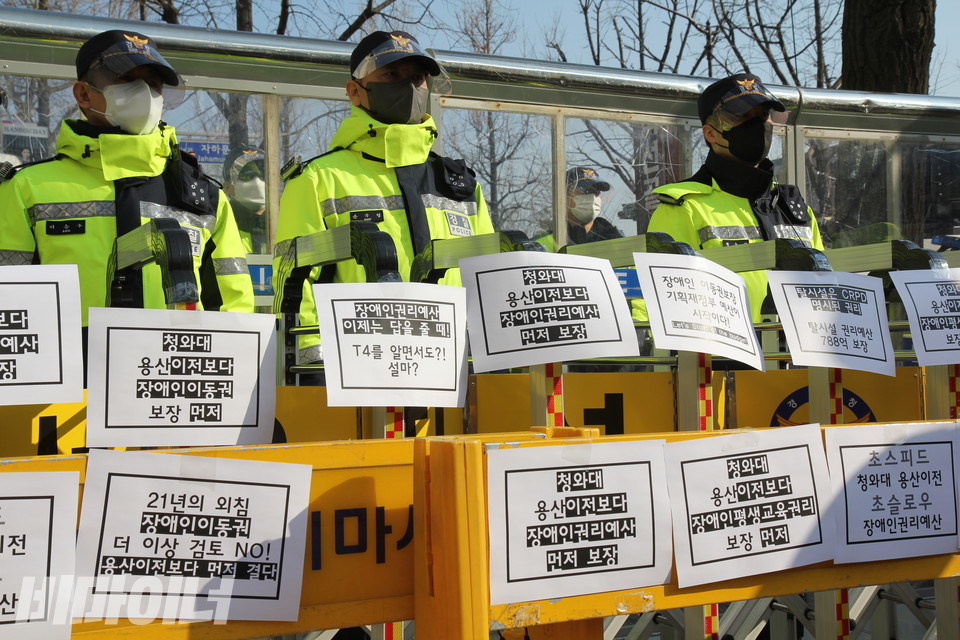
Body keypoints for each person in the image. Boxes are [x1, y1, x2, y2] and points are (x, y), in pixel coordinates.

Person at [0, 30, 254, 331]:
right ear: (83, 94)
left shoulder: (203, 195)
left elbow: (234, 305)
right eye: (128, 79)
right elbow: (9, 302)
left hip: (174, 369)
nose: (146, 93)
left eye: (154, 84)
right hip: (70, 372)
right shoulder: (27, 188)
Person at [274, 31, 494, 364]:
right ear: (355, 92)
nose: (409, 87)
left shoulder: (460, 185)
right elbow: (295, 287)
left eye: (418, 78)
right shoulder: (318, 179)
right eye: (391, 75)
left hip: (455, 374)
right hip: (359, 375)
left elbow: (487, 280)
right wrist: (313, 370)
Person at [646, 73, 824, 321]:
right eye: (743, 117)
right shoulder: (684, 206)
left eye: (763, 116)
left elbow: (825, 288)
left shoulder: (794, 207)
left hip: (798, 356)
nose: (758, 126)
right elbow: (656, 300)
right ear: (711, 133)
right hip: (723, 357)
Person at [535, 166, 622, 252]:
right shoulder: (541, 247)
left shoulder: (618, 243)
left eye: (596, 192)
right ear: (564, 196)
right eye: (586, 191)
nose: (593, 197)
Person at [223, 145, 268, 254]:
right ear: (227, 187)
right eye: (247, 175)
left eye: (264, 174)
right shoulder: (220, 230)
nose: (257, 181)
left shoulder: (285, 226)